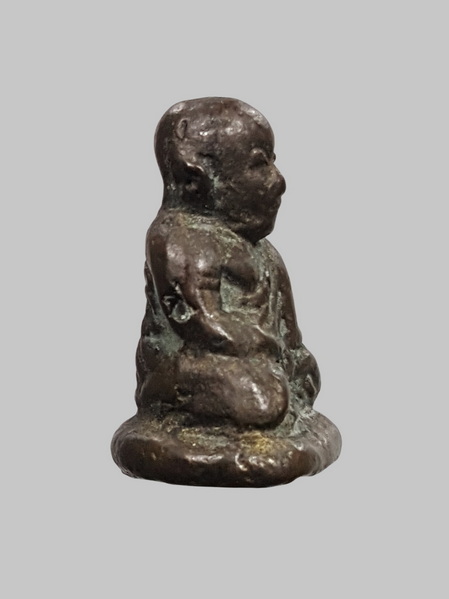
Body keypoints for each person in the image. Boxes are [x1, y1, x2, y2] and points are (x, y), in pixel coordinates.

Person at [135, 97, 320, 428]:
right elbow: (199, 323)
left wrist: (296, 356)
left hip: (259, 362)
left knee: (303, 380)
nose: (279, 181)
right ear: (195, 180)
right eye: (260, 164)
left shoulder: (266, 254)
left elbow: (289, 330)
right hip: (199, 364)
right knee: (262, 400)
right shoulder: (177, 237)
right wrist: (260, 347)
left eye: (273, 162)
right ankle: (163, 396)